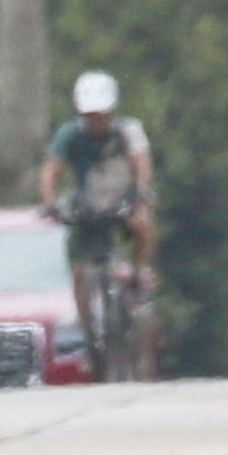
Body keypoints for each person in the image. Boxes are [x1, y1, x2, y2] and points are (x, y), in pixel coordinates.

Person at [39, 70, 156, 366]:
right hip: (86, 206)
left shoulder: (128, 131)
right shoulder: (70, 135)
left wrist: (141, 193)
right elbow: (51, 170)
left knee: (141, 224)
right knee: (80, 272)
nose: (96, 120)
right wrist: (51, 203)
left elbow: (141, 163)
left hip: (121, 200)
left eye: (101, 114)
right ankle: (89, 335)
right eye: (91, 115)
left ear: (112, 110)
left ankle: (138, 275)